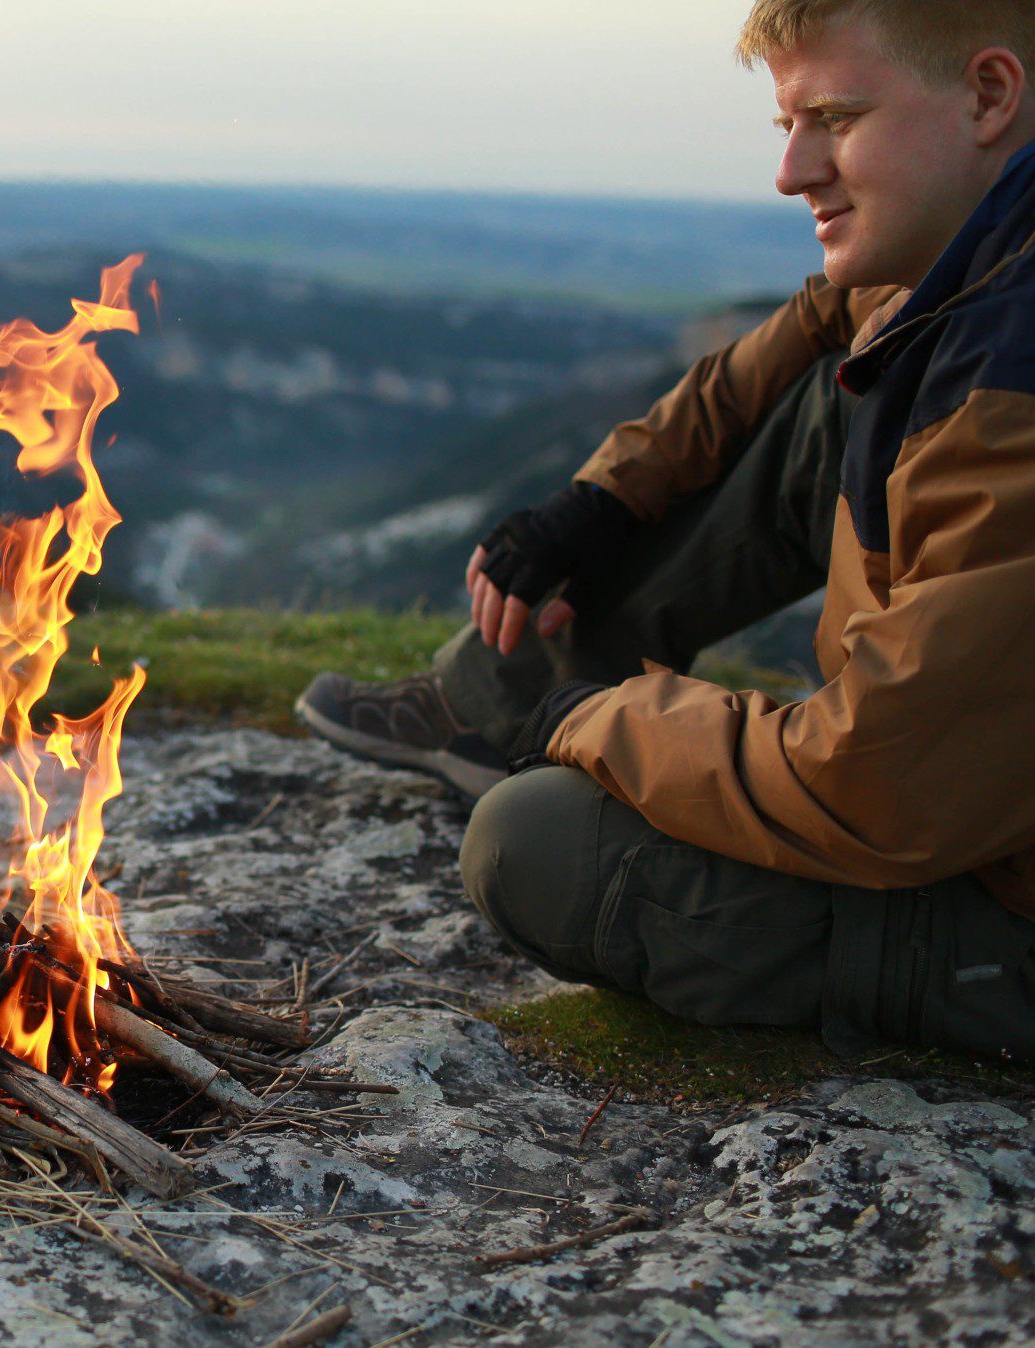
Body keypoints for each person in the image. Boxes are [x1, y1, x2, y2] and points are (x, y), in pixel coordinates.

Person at [297, 0, 1035, 1060]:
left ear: (989, 94)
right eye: (788, 123)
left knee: (533, 844)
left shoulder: (1017, 381)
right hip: (948, 783)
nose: (793, 170)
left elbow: (871, 787)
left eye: (835, 116)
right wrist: (596, 501)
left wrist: (603, 719)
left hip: (1000, 899)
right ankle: (485, 702)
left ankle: (530, 714)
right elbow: (761, 375)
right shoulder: (965, 258)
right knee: (820, 394)